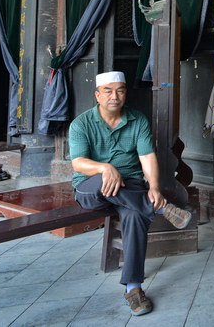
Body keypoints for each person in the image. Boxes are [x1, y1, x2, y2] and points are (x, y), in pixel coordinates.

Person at [69, 71, 192, 316]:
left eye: (120, 91)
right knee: (106, 182)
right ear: (97, 95)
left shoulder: (137, 120)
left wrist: (154, 187)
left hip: (130, 187)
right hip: (90, 188)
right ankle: (159, 207)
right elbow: (78, 163)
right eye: (108, 91)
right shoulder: (81, 124)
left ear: (125, 94)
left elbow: (147, 156)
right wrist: (105, 168)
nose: (114, 96)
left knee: (135, 216)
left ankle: (133, 288)